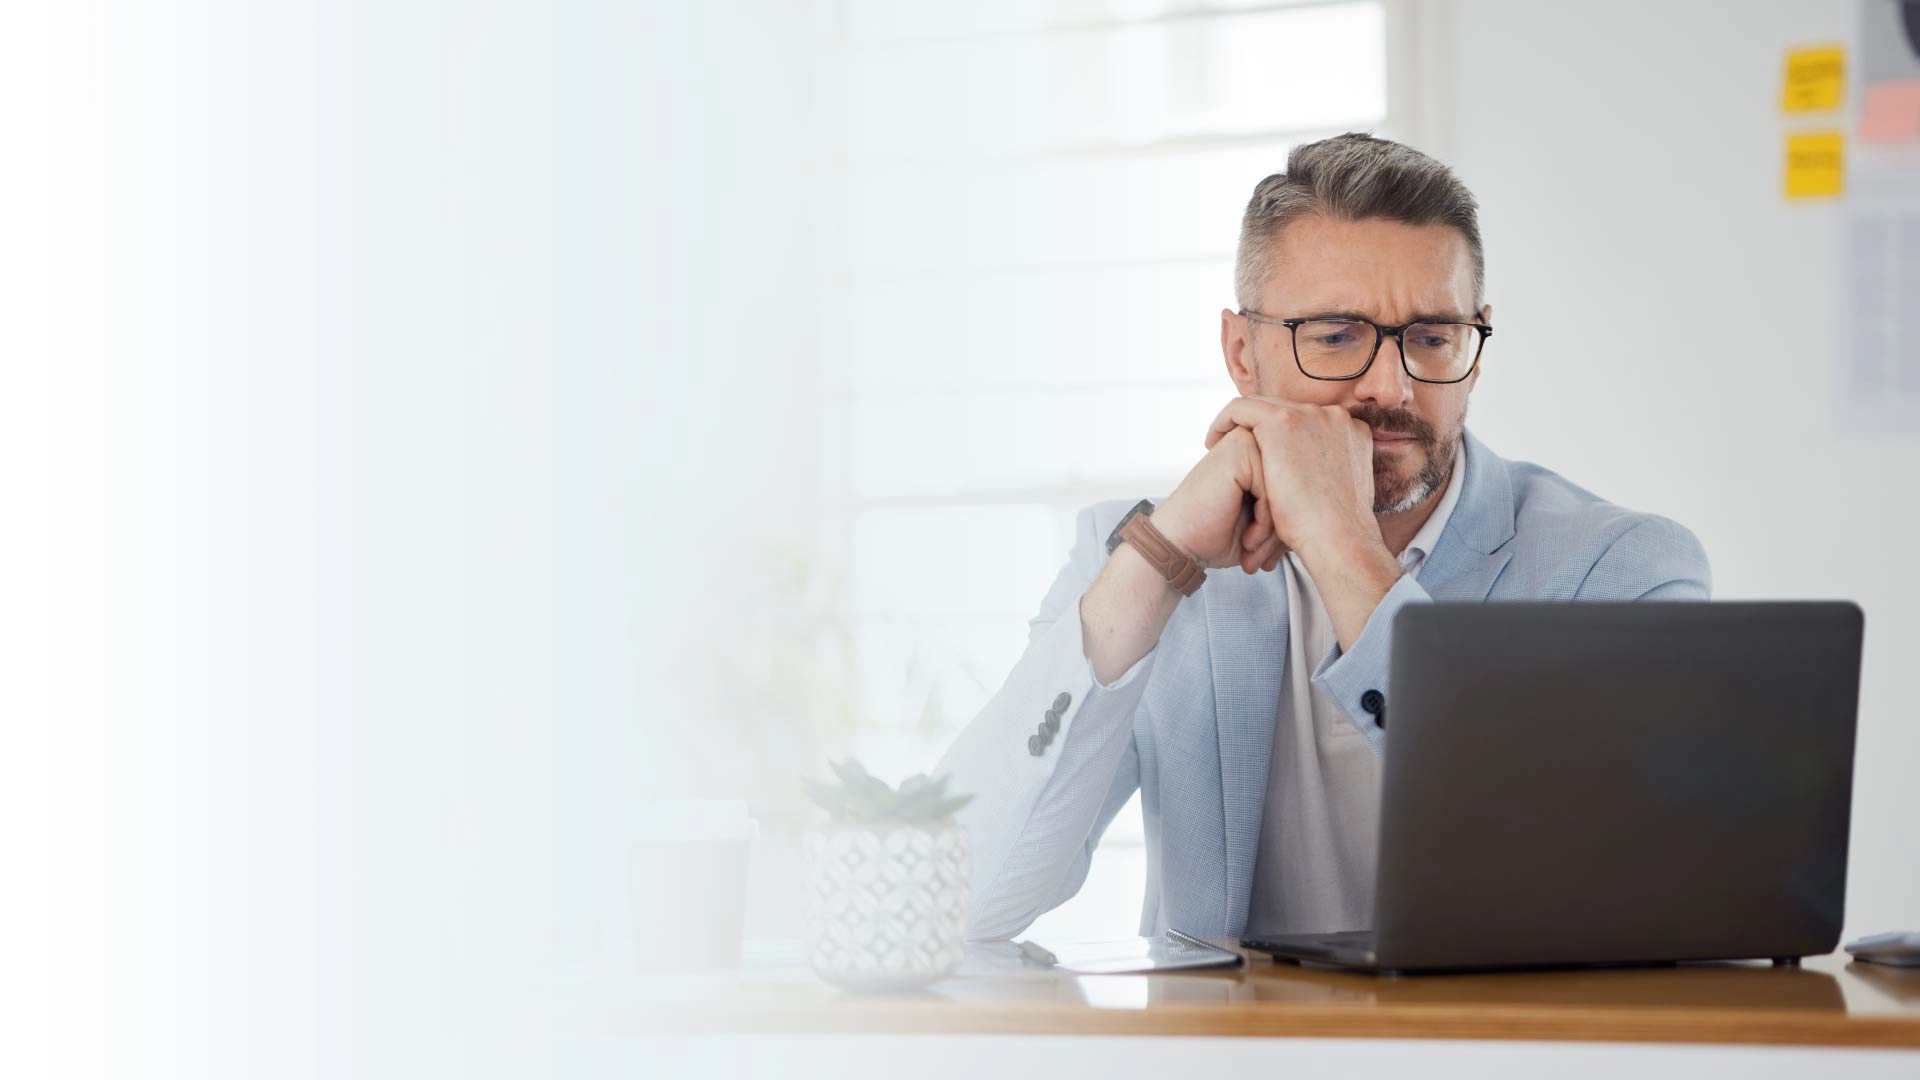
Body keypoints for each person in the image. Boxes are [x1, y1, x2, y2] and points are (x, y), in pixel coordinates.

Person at [933, 133, 1711, 943]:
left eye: (1432, 337)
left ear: (1475, 351)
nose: (1391, 385)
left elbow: (1600, 888)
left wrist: (1342, 543)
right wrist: (1156, 568)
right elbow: (958, 900)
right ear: (1242, 352)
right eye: (1337, 335)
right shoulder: (1137, 551)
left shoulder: (1621, 571)